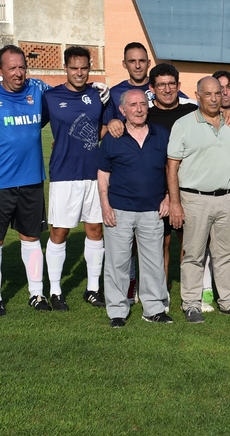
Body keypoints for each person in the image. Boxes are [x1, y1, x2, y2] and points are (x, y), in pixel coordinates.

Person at [0, 45, 53, 315]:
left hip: (31, 179)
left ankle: (37, 294)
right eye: (12, 68)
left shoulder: (38, 88)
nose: (18, 73)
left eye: (22, 67)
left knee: (31, 238)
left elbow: (61, 107)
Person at [168, 77, 230, 323]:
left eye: (218, 93)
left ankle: (228, 301)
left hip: (227, 199)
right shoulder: (183, 124)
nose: (215, 98)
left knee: (225, 254)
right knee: (193, 254)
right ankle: (191, 304)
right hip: (195, 199)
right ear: (198, 96)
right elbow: (172, 166)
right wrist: (174, 202)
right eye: (208, 94)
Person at [41, 46, 107, 311]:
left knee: (95, 230)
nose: (79, 73)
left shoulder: (99, 95)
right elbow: (32, 124)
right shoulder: (51, 97)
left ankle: (92, 289)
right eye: (74, 68)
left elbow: (108, 126)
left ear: (89, 67)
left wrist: (89, 137)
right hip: (64, 174)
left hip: (94, 173)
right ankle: (55, 291)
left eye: (84, 68)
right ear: (65, 68)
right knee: (59, 231)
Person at [97, 89, 171, 327]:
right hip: (119, 209)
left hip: (153, 210)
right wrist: (105, 205)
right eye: (133, 105)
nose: (139, 109)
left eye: (142, 104)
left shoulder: (162, 135)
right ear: (122, 110)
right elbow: (103, 174)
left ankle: (154, 309)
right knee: (117, 262)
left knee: (153, 262)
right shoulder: (113, 137)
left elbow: (172, 170)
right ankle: (117, 311)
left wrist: (169, 197)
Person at [145, 63, 198, 305]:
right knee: (160, 243)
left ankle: (191, 291)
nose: (167, 89)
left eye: (171, 84)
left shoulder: (192, 111)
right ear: (152, 88)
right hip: (156, 190)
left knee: (189, 242)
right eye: (161, 85)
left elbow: (217, 110)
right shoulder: (144, 114)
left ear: (178, 85)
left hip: (186, 188)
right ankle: (162, 293)